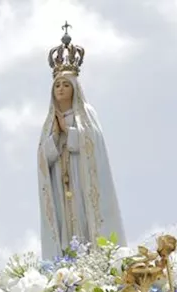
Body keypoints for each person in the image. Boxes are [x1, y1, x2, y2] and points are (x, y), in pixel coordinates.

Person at [37, 27, 125, 259]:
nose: (61, 89)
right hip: (60, 183)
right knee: (67, 224)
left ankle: (93, 258)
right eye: (57, 85)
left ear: (75, 88)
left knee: (84, 220)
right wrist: (56, 136)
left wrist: (70, 132)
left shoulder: (85, 114)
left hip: (82, 179)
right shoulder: (49, 123)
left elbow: (93, 143)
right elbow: (43, 159)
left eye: (66, 85)